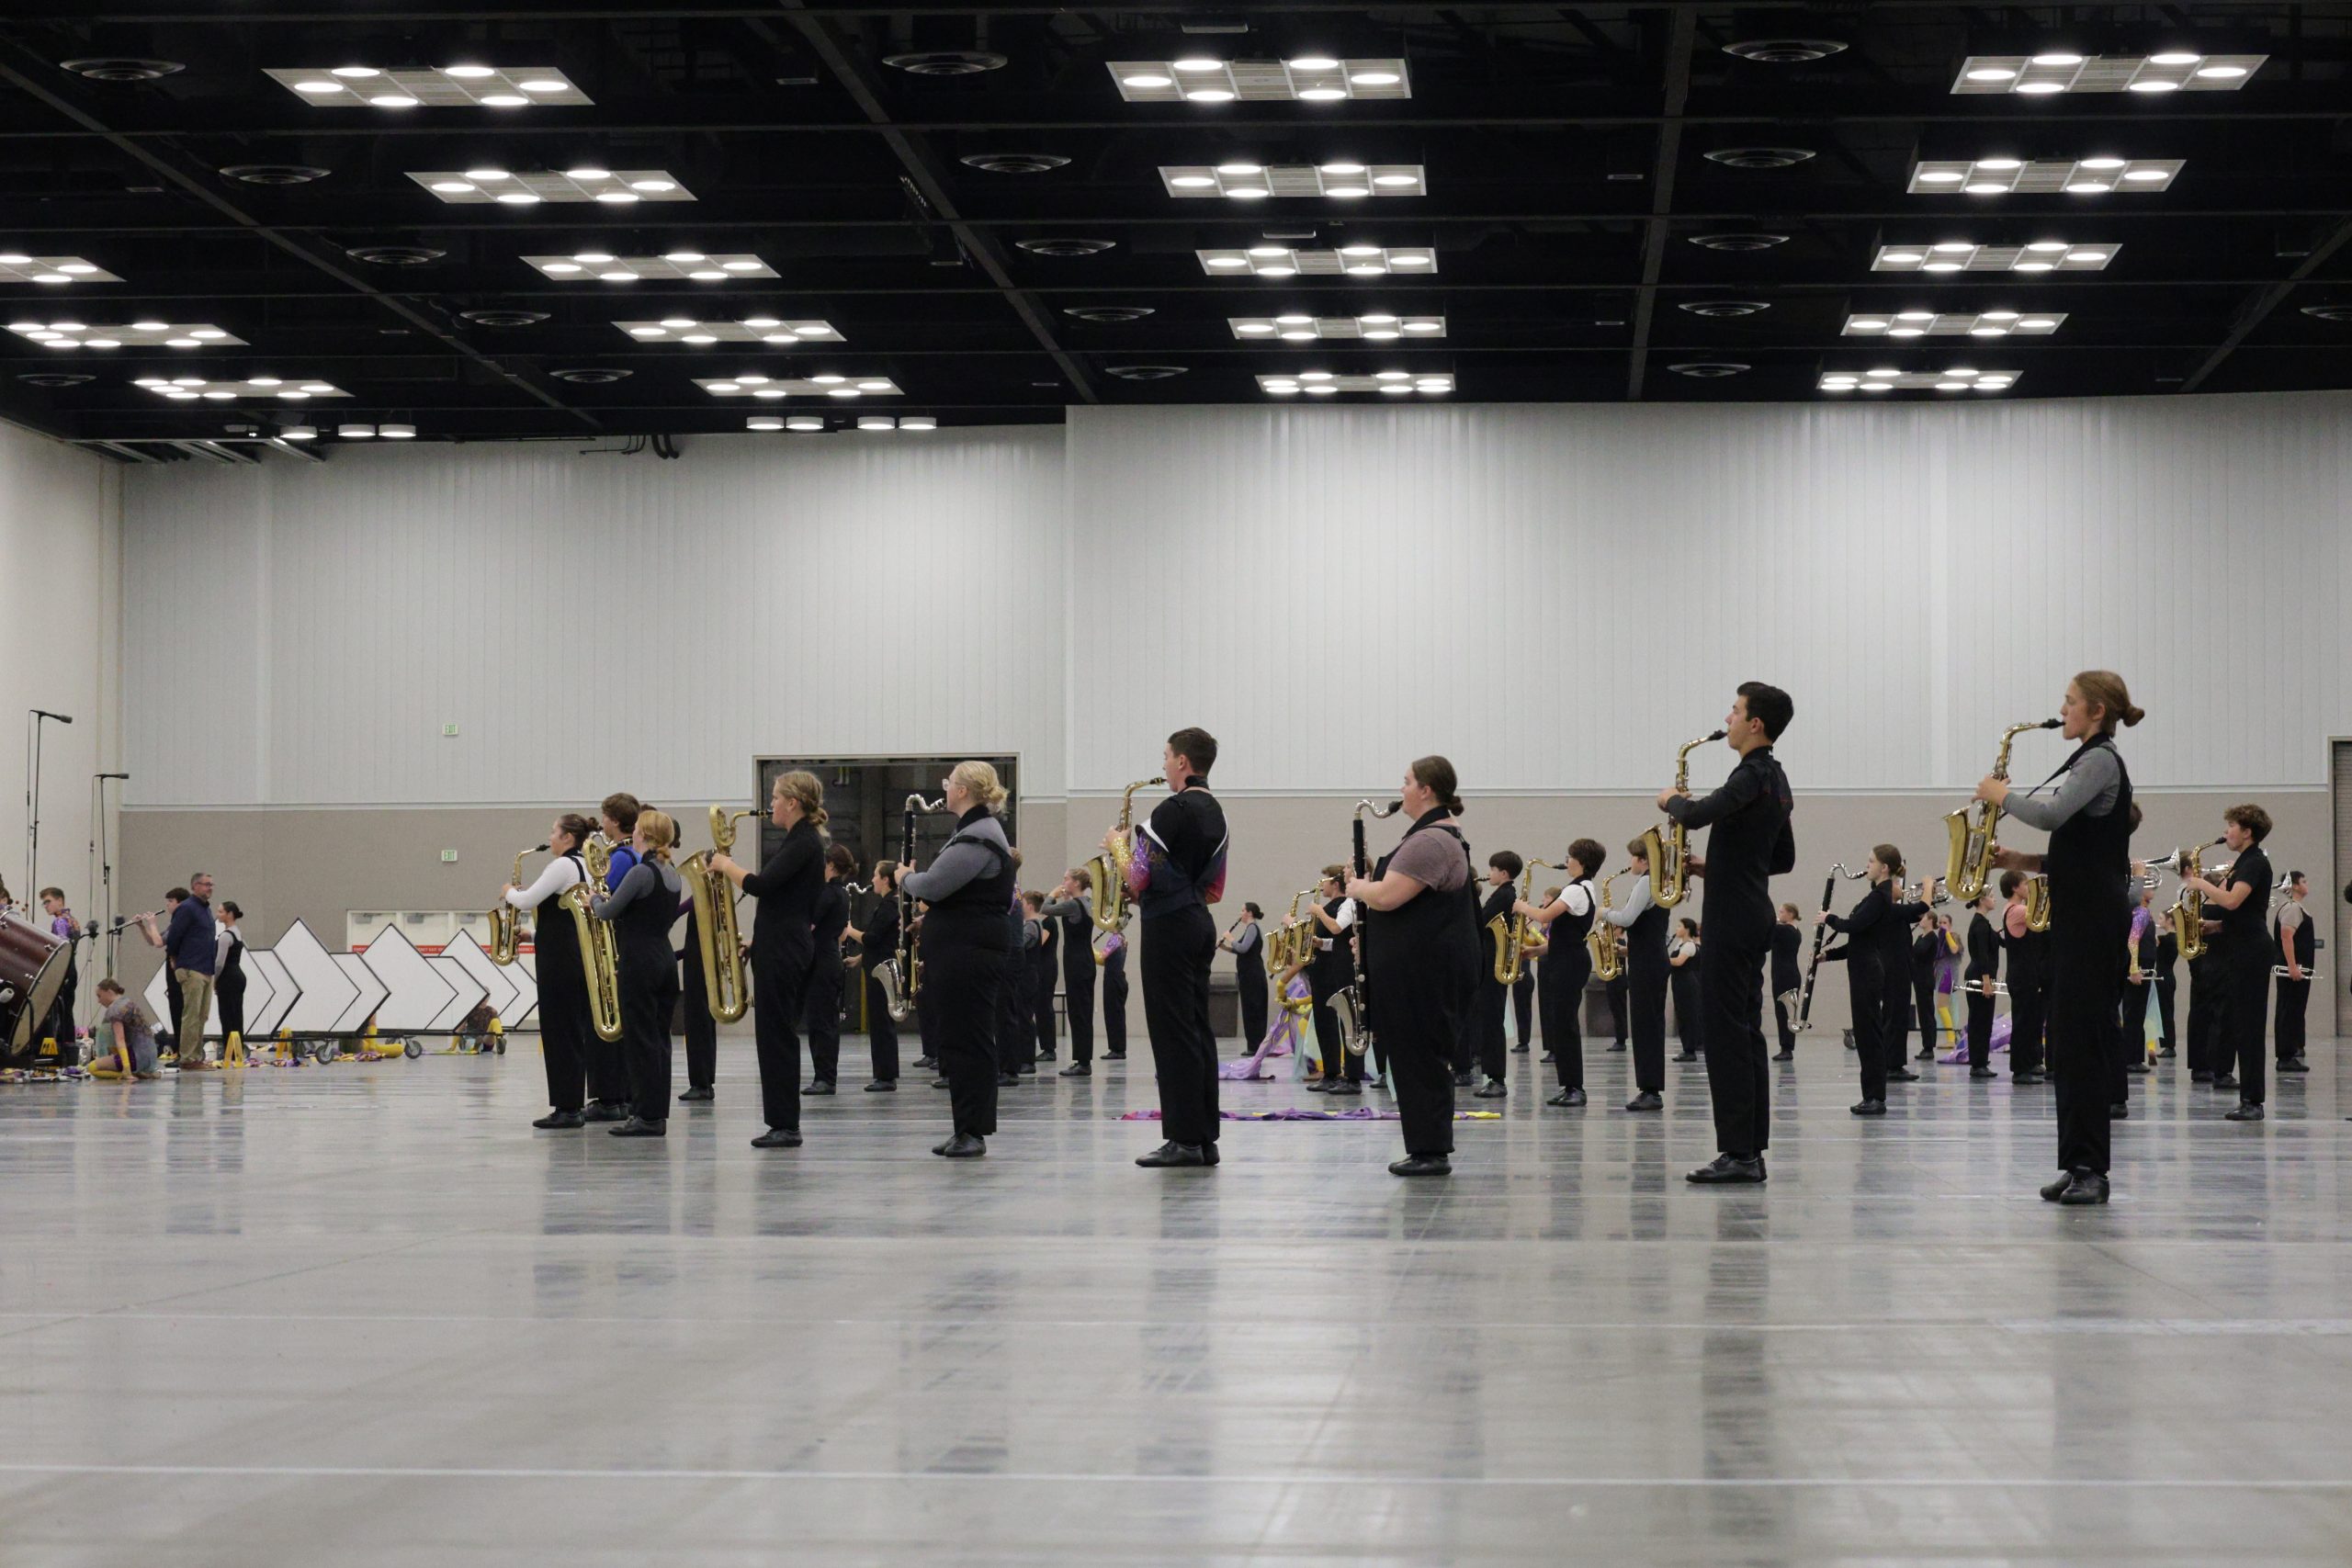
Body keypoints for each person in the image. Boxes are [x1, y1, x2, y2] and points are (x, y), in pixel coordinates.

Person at [1976, 669, 2143, 1203]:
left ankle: (2093, 1167)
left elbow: (2048, 814)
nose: (2063, 710)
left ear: (2096, 711)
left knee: (2086, 1042)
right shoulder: (2086, 759)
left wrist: (2000, 795)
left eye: (2071, 703)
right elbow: (2077, 851)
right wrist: (2019, 860)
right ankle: (2076, 1163)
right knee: (2068, 1044)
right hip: (2079, 913)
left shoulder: (2099, 760)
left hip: (2095, 918)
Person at [1658, 682, 1797, 1181]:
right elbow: (1782, 858)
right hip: (1751, 911)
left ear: (1755, 723)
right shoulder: (1776, 779)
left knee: (1724, 1034)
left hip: (1731, 919)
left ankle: (1739, 1154)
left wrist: (1672, 800)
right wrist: (1712, 866)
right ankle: (1749, 1150)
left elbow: (1695, 814)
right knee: (1744, 1032)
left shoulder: (1750, 775)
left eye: (1736, 710)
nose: (1729, 718)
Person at [1345, 755, 1480, 1177]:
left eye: (1406, 782)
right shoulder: (1434, 836)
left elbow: (1387, 896)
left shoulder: (1431, 841)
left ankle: (1429, 1150)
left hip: (1426, 974)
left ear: (1426, 790)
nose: (1400, 789)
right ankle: (1426, 1146)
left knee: (1419, 1056)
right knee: (1416, 1056)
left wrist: (1356, 886)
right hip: (1423, 970)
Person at [1119, 728, 1230, 1169]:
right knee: (1196, 1029)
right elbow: (1216, 888)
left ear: (1183, 762)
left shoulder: (1171, 810)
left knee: (1172, 1033)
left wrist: (1114, 844)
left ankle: (1183, 1139)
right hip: (1199, 920)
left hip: (1168, 925)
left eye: (1167, 756)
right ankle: (1203, 1139)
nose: (1163, 764)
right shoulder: (1217, 813)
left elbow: (1137, 876)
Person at [897, 761, 1015, 1157]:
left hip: (969, 951)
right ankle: (965, 1127)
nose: (945, 789)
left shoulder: (977, 837)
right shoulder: (977, 831)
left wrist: (903, 878)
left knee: (970, 1041)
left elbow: (932, 884)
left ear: (963, 791)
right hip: (963, 949)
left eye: (949, 783)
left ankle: (972, 1131)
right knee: (962, 1040)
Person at [709, 771, 827, 1150]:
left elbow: (761, 886)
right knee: (774, 1035)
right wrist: (759, 944)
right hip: (779, 945)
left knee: (777, 1037)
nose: (771, 803)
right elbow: (784, 901)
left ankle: (785, 1124)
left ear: (793, 802)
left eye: (776, 797)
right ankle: (780, 1121)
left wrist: (725, 865)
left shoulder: (804, 841)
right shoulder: (800, 840)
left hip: (786, 948)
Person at [1818, 846, 1933, 1116]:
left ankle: (1875, 1097)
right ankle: (1872, 1095)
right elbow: (1859, 941)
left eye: (1871, 861)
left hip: (1867, 973)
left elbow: (1852, 926)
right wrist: (1828, 955)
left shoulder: (1880, 898)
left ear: (1884, 868)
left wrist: (1829, 918)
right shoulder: (1877, 899)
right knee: (1868, 1034)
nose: (1866, 865)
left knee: (1869, 1035)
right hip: (1864, 969)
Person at [591, 809, 683, 1135]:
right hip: (665, 960)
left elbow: (607, 911)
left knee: (640, 1040)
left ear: (644, 835)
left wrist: (593, 897)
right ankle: (656, 1114)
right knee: (659, 1041)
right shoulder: (672, 873)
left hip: (640, 960)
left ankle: (644, 1116)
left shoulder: (642, 873)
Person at [503, 814, 599, 1128]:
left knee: (558, 1032)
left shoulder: (562, 866)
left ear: (568, 837)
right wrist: (532, 935)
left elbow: (527, 899)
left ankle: (567, 1108)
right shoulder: (586, 865)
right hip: (575, 956)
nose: (551, 837)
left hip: (557, 962)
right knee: (572, 1031)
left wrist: (508, 891)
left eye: (554, 832)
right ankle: (571, 1103)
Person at [2182, 803, 2275, 1122]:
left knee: (2249, 1027)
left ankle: (2253, 1100)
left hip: (2251, 951)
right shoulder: (2243, 862)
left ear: (2247, 831)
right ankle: (2248, 1097)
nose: (2226, 832)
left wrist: (2201, 884)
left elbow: (2234, 901)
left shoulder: (2254, 863)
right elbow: (2242, 913)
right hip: (2240, 946)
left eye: (2231, 826)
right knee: (2239, 1024)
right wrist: (2216, 926)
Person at [1520, 839, 1605, 1108]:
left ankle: (1575, 1088)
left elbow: (1544, 917)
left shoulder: (1576, 890)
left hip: (1569, 964)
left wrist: (1520, 906)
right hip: (1566, 958)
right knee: (1561, 1023)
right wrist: (1537, 951)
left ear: (1580, 861)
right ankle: (1567, 1085)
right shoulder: (1583, 888)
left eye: (1569, 857)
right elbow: (1567, 936)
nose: (1566, 861)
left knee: (1565, 1024)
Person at [1602, 840, 1668, 1111]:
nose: (1630, 862)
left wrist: (1604, 912)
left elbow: (1627, 918)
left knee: (1646, 1025)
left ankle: (1651, 1090)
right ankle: (1648, 1088)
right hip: (1649, 958)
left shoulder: (1646, 882)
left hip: (1648, 963)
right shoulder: (1658, 883)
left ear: (1643, 859)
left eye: (1633, 857)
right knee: (1647, 1024)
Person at [843, 858, 902, 1091]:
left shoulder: (889, 905)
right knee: (880, 1022)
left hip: (882, 970)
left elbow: (872, 938)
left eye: (876, 875)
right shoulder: (888, 903)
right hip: (877, 965)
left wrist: (849, 930)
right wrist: (860, 958)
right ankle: (884, 1074)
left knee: (881, 1022)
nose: (872, 880)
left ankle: (885, 1076)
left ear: (886, 880)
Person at [1465, 851, 1521, 1097]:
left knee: (1492, 1023)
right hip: (1491, 964)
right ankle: (1493, 1077)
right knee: (1489, 1021)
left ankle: (1497, 1079)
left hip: (1495, 965)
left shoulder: (1505, 895)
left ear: (1503, 873)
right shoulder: (1504, 893)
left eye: (1492, 870)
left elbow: (1481, 921)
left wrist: (1468, 897)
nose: (1488, 875)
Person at [803, 843, 856, 1096]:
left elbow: (808, 926)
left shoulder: (827, 894)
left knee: (820, 1021)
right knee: (826, 1021)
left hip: (821, 961)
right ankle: (825, 1076)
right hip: (830, 957)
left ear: (831, 866)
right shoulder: (842, 894)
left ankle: (824, 1078)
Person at [1304, 868, 1362, 1095]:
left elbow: (1338, 927)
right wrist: (1321, 943)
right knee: (1335, 1023)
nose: (1321, 884)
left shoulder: (1348, 903)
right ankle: (1334, 1073)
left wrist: (1318, 911)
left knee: (1349, 1022)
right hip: (1333, 967)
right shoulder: (1343, 904)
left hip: (1344, 969)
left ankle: (1352, 1077)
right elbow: (1337, 939)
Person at [158, 871, 219, 1068]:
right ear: (194, 886)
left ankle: (195, 1056)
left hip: (205, 968)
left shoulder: (205, 909)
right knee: (191, 1015)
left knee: (202, 1016)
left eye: (211, 884)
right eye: (206, 884)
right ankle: (188, 1058)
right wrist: (174, 958)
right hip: (192, 968)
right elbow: (174, 937)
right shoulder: (187, 908)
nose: (210, 887)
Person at [1042, 870, 1098, 1077]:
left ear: (1075, 882)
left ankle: (1083, 1062)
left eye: (1066, 879)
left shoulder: (1074, 905)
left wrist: (1054, 894)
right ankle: (1082, 1059)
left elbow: (1045, 908)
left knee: (1078, 1013)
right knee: (1083, 1011)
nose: (1063, 881)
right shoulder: (1086, 902)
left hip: (1076, 963)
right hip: (1086, 960)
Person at [1999, 870, 2049, 1086]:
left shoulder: (2017, 909)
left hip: (2026, 973)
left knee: (2030, 1021)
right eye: (2024, 884)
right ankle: (2019, 1070)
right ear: (2014, 888)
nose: (2028, 888)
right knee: (2022, 1022)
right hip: (2021, 974)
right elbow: (2045, 911)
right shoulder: (2017, 910)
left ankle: (2029, 1063)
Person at [2273, 871, 2313, 1074]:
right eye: (2304, 881)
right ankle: (2285, 1056)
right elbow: (2286, 936)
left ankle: (2289, 1053)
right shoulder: (2292, 908)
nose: (2307, 884)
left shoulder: (2298, 908)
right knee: (2288, 1011)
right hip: (2293, 971)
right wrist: (2292, 966)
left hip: (2298, 970)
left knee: (2294, 1011)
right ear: (2295, 886)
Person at [36, 888, 81, 1057]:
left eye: (48, 901)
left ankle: (61, 1050)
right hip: (72, 968)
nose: (46, 906)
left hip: (63, 970)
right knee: (67, 1010)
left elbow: (62, 948)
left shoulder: (59, 922)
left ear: (60, 901)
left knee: (60, 1011)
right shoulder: (72, 920)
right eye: (44, 903)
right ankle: (69, 1048)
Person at [1218, 904, 1268, 1057]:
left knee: (1253, 1010)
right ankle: (1254, 1045)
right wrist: (1224, 947)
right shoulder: (1250, 929)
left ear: (1249, 913)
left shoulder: (1252, 928)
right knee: (1250, 1010)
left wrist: (1230, 938)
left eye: (1243, 910)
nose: (1241, 913)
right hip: (1249, 976)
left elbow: (1243, 948)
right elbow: (1241, 950)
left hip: (1253, 976)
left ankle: (1255, 1046)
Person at [1962, 889, 2002, 1079]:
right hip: (1980, 977)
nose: (1994, 900)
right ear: (1982, 900)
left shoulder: (1984, 924)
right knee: (1979, 1021)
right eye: (1992, 897)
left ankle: (1980, 1060)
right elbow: (1982, 955)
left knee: (1984, 1021)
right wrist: (1986, 981)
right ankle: (1977, 1064)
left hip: (1983, 977)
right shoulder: (1979, 925)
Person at [88, 978, 160, 1078]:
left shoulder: (114, 1009)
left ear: (109, 992)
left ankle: (128, 1074)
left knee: (92, 1067)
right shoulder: (128, 1002)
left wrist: (126, 1068)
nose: (99, 1001)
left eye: (99, 996)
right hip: (151, 1056)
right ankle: (142, 1072)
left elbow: (120, 1039)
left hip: (136, 1057)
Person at [1023, 890, 1059, 1067]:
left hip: (1046, 967)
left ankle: (1049, 1048)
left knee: (1044, 1006)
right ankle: (1046, 1046)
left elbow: (1039, 943)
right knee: (1040, 1006)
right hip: (1041, 966)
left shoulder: (1048, 922)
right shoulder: (1041, 922)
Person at [213, 901, 249, 1066]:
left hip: (228, 978)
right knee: (237, 1015)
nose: (218, 914)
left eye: (221, 912)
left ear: (229, 914)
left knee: (226, 1016)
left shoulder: (226, 935)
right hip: (238, 976)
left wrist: (215, 980)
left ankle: (230, 1053)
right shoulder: (237, 932)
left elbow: (219, 962)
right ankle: (237, 1051)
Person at [1770, 903, 1804, 1061]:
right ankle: (1787, 1047)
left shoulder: (1785, 930)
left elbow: (1768, 927)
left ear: (1791, 914)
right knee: (1787, 1012)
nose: (1779, 914)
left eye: (1782, 912)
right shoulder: (1795, 931)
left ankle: (1786, 1048)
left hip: (1784, 976)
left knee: (1784, 1013)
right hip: (1789, 974)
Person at [1668, 919, 1704, 1064]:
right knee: (1682, 1014)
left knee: (1689, 1015)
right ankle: (1686, 1048)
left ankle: (1690, 1050)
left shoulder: (1689, 946)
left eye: (1679, 926)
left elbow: (1678, 961)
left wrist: (1660, 956)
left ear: (1687, 930)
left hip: (1687, 983)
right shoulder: (1680, 944)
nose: (1677, 929)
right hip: (1679, 982)